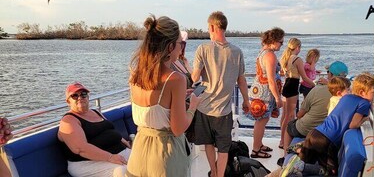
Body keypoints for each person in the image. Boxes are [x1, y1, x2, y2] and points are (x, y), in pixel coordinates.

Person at [127, 15, 201, 177]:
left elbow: (156, 109)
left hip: (139, 153)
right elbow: (178, 128)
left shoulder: (135, 76)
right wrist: (193, 107)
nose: (181, 49)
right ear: (170, 47)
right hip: (164, 157)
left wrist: (179, 100)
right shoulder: (175, 79)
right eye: (180, 44)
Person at [191, 11, 251, 177]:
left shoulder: (203, 49)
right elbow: (241, 80)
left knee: (208, 143)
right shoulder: (237, 52)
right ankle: (220, 175)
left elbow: (195, 77)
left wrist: (189, 66)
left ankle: (214, 172)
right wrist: (246, 101)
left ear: (212, 27)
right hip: (224, 111)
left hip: (204, 108)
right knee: (223, 148)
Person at [299, 73, 374, 175]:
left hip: (314, 133)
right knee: (331, 172)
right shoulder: (364, 103)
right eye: (373, 93)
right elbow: (353, 125)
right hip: (327, 140)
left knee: (301, 167)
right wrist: (364, 119)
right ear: (362, 92)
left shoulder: (346, 97)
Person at [58, 82, 132, 177]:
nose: (80, 97)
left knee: (149, 159)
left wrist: (124, 141)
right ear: (68, 101)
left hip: (117, 152)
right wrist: (110, 157)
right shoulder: (69, 120)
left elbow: (109, 130)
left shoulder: (95, 112)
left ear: (88, 97)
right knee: (124, 171)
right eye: (75, 96)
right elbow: (81, 149)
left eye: (83, 94)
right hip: (87, 163)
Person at [247, 27, 284, 159]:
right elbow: (271, 80)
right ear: (273, 41)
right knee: (261, 121)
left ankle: (259, 144)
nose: (281, 45)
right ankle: (256, 149)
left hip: (261, 92)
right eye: (281, 42)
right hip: (264, 95)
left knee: (263, 120)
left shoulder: (264, 52)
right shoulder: (270, 55)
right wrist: (278, 98)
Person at [278, 38, 317, 154]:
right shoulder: (297, 59)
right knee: (290, 115)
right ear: (297, 47)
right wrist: (315, 85)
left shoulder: (286, 58)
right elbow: (304, 77)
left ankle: (281, 139)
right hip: (293, 86)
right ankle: (283, 141)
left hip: (287, 85)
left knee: (285, 115)